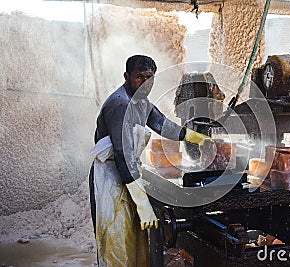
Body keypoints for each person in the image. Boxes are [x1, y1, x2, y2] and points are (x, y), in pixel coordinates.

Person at [88, 55, 212, 267]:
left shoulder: (141, 102)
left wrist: (194, 137)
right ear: (126, 77)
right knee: (116, 246)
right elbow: (123, 156)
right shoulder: (121, 104)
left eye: (150, 77)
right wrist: (143, 204)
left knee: (134, 244)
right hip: (110, 179)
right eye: (139, 77)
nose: (145, 83)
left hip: (129, 177)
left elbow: (162, 124)